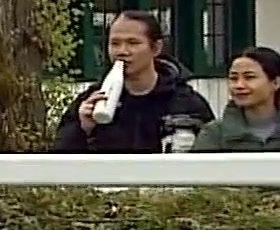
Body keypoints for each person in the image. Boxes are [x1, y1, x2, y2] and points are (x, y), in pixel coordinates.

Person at [54, 10, 214, 153]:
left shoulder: (187, 104)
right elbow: (60, 161)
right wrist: (82, 128)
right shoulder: (92, 101)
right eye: (115, 44)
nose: (122, 52)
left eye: (133, 43)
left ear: (156, 48)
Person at [193, 47, 280, 152]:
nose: (239, 85)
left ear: (275, 82)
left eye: (249, 77)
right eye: (233, 78)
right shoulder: (215, 133)